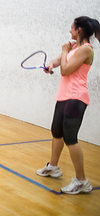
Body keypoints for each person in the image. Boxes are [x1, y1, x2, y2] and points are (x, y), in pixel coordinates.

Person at [37, 16, 100, 194]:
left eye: (72, 28)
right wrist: (51, 65)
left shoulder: (86, 50)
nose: (70, 31)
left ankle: (82, 181)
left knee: (70, 138)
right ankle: (54, 167)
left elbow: (65, 70)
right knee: (56, 131)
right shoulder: (74, 47)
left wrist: (64, 52)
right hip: (64, 96)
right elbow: (59, 63)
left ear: (79, 30)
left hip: (76, 98)